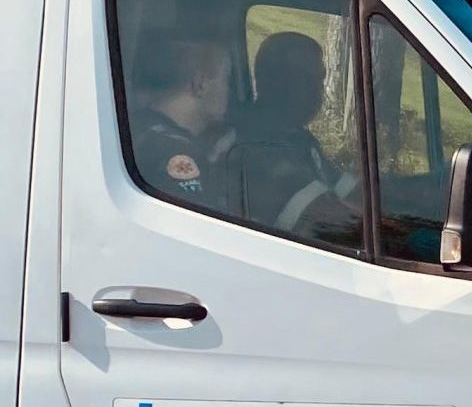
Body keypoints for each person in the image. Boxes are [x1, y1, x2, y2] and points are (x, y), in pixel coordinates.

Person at [230, 32, 363, 249]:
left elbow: (353, 192)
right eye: (306, 80)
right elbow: (339, 222)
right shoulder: (256, 147)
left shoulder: (300, 140)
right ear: (272, 82)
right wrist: (402, 227)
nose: (318, 91)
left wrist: (421, 189)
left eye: (320, 79)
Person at [129, 34, 235, 213]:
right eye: (225, 81)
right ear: (200, 84)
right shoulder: (177, 154)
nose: (229, 92)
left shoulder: (135, 126)